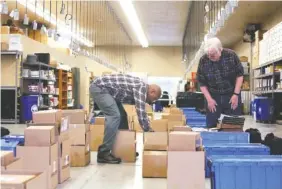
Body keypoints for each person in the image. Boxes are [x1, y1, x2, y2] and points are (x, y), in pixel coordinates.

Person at [90, 74, 162, 164]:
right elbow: (141, 111)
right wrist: (148, 130)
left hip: (111, 93)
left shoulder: (141, 87)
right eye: (153, 98)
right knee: (114, 116)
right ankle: (103, 153)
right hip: (100, 88)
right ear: (152, 92)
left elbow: (141, 109)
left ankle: (124, 149)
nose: (151, 101)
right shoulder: (141, 88)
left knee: (122, 116)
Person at [196, 37, 244, 128]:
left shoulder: (231, 55)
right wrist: (209, 99)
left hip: (231, 94)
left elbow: (240, 75)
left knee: (233, 125)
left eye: (213, 54)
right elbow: (201, 82)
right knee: (212, 125)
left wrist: (236, 94)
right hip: (213, 96)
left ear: (220, 49)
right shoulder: (203, 60)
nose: (211, 57)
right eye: (209, 55)